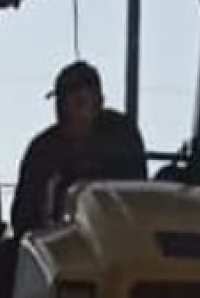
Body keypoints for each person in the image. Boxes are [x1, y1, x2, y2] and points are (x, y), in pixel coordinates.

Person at [9, 60, 148, 237]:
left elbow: (136, 198)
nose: (68, 112)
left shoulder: (122, 137)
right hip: (54, 247)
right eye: (61, 103)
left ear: (98, 103)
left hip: (115, 243)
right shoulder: (42, 150)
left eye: (79, 102)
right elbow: (23, 219)